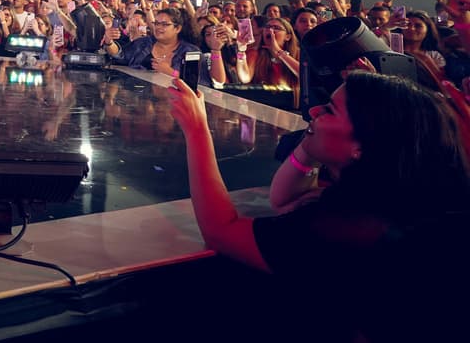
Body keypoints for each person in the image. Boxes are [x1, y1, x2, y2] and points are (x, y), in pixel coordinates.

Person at [168, 71, 470, 340]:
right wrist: (316, 137)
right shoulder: (406, 194)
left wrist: (197, 130)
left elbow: (221, 231)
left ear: (361, 147)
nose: (313, 110)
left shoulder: (348, 228)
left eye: (329, 109)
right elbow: (284, 200)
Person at [108, 6, 200, 75]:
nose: (158, 27)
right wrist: (109, 42)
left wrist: (171, 72)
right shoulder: (143, 43)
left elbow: (199, 83)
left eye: (164, 24)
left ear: (177, 28)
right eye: (156, 23)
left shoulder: (191, 52)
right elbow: (120, 55)